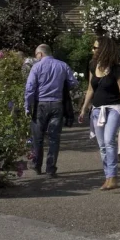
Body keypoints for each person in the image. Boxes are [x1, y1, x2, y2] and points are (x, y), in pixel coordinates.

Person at [78, 36, 120, 190]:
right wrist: (84, 108)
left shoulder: (116, 69)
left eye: (95, 48)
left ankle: (113, 177)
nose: (93, 50)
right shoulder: (92, 65)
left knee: (109, 141)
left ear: (103, 49)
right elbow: (90, 89)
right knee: (102, 145)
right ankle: (108, 176)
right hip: (97, 110)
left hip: (114, 108)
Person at [24, 44, 77, 178]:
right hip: (57, 104)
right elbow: (73, 83)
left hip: (40, 104)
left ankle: (37, 164)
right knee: (54, 138)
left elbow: (30, 88)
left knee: (38, 137)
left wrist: (27, 106)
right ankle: (50, 168)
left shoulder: (36, 67)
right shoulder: (63, 65)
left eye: (36, 55)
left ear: (40, 54)